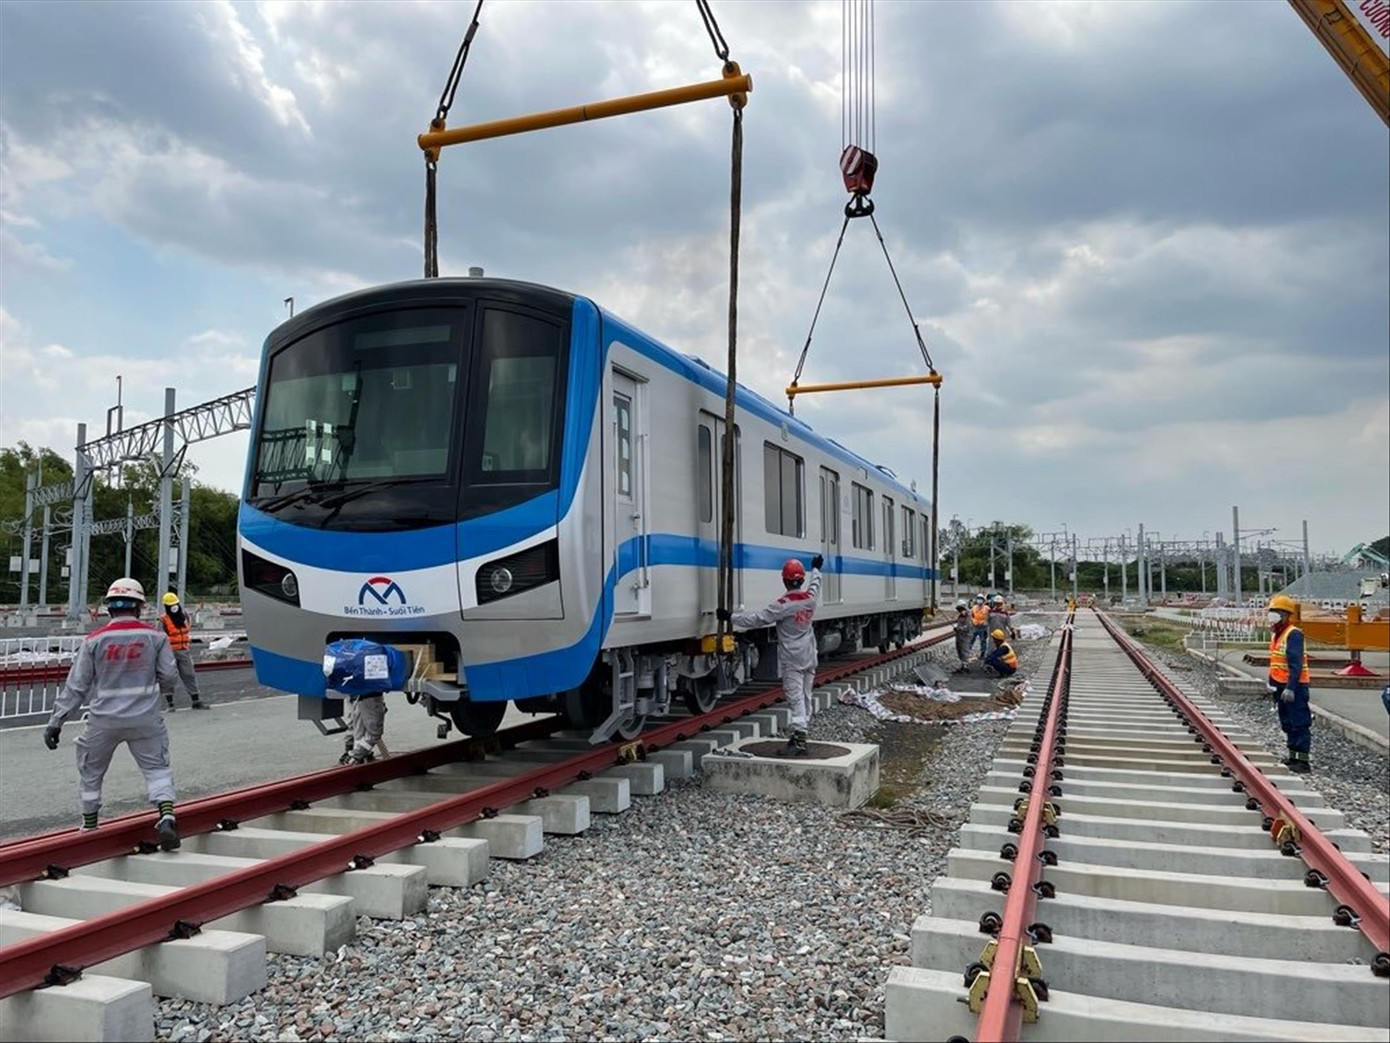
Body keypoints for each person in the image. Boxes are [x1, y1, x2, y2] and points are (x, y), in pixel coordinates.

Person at [43, 578, 182, 849]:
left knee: (91, 771)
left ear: (109, 608)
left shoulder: (94, 641)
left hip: (103, 720)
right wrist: (161, 692)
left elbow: (77, 686)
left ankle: (90, 826)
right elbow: (168, 676)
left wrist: (56, 721)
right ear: (139, 607)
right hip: (145, 718)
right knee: (157, 768)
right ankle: (166, 817)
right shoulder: (156, 637)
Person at [718, 555, 822, 757]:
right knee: (806, 697)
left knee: (795, 699)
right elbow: (815, 585)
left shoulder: (782, 605)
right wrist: (816, 569)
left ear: (784, 580)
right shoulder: (810, 600)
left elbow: (756, 620)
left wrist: (730, 617)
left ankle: (799, 742)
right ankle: (800, 735)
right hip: (810, 656)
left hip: (792, 659)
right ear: (801, 579)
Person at [1266, 594, 1312, 774]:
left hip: (1295, 687)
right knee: (1287, 723)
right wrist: (1272, 685)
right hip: (1280, 686)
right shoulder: (1277, 634)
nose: (1272, 615)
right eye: (1271, 611)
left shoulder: (1293, 634)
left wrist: (1291, 687)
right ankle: (1293, 757)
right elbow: (1276, 662)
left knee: (1299, 723)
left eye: (1276, 612)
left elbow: (1295, 664)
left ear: (1285, 614)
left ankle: (1303, 762)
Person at [159, 591, 207, 711]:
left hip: (184, 650)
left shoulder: (184, 616)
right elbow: (159, 637)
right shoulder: (163, 620)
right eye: (171, 605)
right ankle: (170, 704)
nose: (174, 607)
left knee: (189, 675)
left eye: (175, 604)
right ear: (166, 607)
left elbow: (188, 629)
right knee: (169, 677)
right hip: (169, 652)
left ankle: (196, 701)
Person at [952, 600, 973, 670]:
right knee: (959, 650)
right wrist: (957, 628)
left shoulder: (968, 616)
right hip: (959, 636)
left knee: (965, 650)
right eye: (959, 609)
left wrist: (960, 629)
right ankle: (962, 664)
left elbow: (968, 626)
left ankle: (966, 665)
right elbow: (960, 624)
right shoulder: (960, 616)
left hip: (965, 636)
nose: (960, 611)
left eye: (961, 609)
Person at [969, 595, 990, 659]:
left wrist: (986, 621)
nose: (979, 600)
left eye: (981, 599)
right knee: (971, 639)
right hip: (975, 626)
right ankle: (967, 651)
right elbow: (970, 615)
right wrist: (973, 620)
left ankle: (983, 653)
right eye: (978, 599)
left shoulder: (986, 608)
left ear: (983, 600)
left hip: (983, 627)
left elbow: (989, 616)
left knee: (983, 640)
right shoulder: (974, 607)